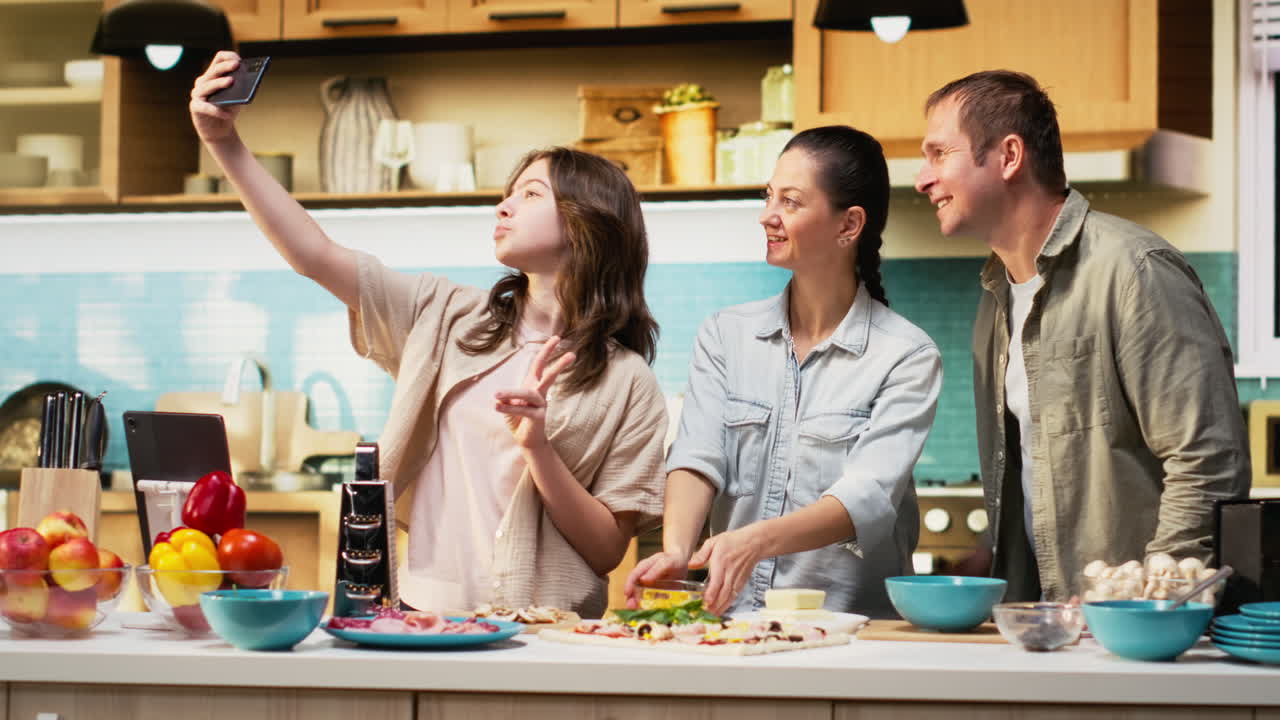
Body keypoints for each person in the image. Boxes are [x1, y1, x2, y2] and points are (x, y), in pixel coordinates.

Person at [189, 52, 667, 617]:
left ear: (588, 223)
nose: (504, 205)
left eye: (530, 194)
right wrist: (225, 145)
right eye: (509, 193)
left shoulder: (628, 381)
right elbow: (314, 255)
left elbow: (607, 549)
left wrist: (538, 445)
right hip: (422, 612)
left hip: (547, 629)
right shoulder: (445, 316)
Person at [913, 70, 1251, 603]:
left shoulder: (1134, 270)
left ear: (1007, 156)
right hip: (1057, 624)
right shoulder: (996, 294)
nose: (922, 178)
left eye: (938, 154)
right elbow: (1039, 475)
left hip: (1141, 634)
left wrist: (1145, 598)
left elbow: (1207, 462)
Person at [624, 125, 942, 618]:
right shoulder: (726, 335)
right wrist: (677, 552)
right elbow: (697, 455)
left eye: (790, 202)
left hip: (852, 630)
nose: (767, 215)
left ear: (848, 225)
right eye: (768, 196)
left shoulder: (905, 354)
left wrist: (752, 541)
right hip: (734, 624)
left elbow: (867, 496)